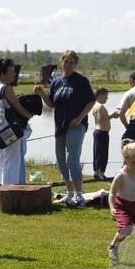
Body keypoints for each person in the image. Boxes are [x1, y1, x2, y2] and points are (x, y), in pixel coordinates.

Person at [33, 50, 96, 207]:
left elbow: (91, 102)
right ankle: (69, 193)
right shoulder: (56, 81)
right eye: (65, 62)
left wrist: (79, 118)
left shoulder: (81, 81)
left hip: (76, 125)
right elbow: (52, 103)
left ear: (75, 64)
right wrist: (41, 94)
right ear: (61, 62)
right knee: (61, 159)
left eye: (71, 63)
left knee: (72, 159)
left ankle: (79, 195)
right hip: (60, 125)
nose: (68, 65)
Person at [0, 58, 34, 205]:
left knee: (0, 161)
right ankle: (8, 200)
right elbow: (18, 108)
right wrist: (29, 115)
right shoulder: (7, 88)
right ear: (3, 73)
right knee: (11, 163)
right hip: (9, 131)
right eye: (11, 70)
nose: (14, 73)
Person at [91, 87, 119, 180]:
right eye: (106, 96)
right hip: (101, 133)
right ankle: (101, 173)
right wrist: (112, 116)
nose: (107, 98)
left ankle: (97, 172)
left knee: (97, 153)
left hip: (99, 132)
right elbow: (100, 120)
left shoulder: (95, 105)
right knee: (102, 154)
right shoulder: (100, 106)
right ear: (101, 95)